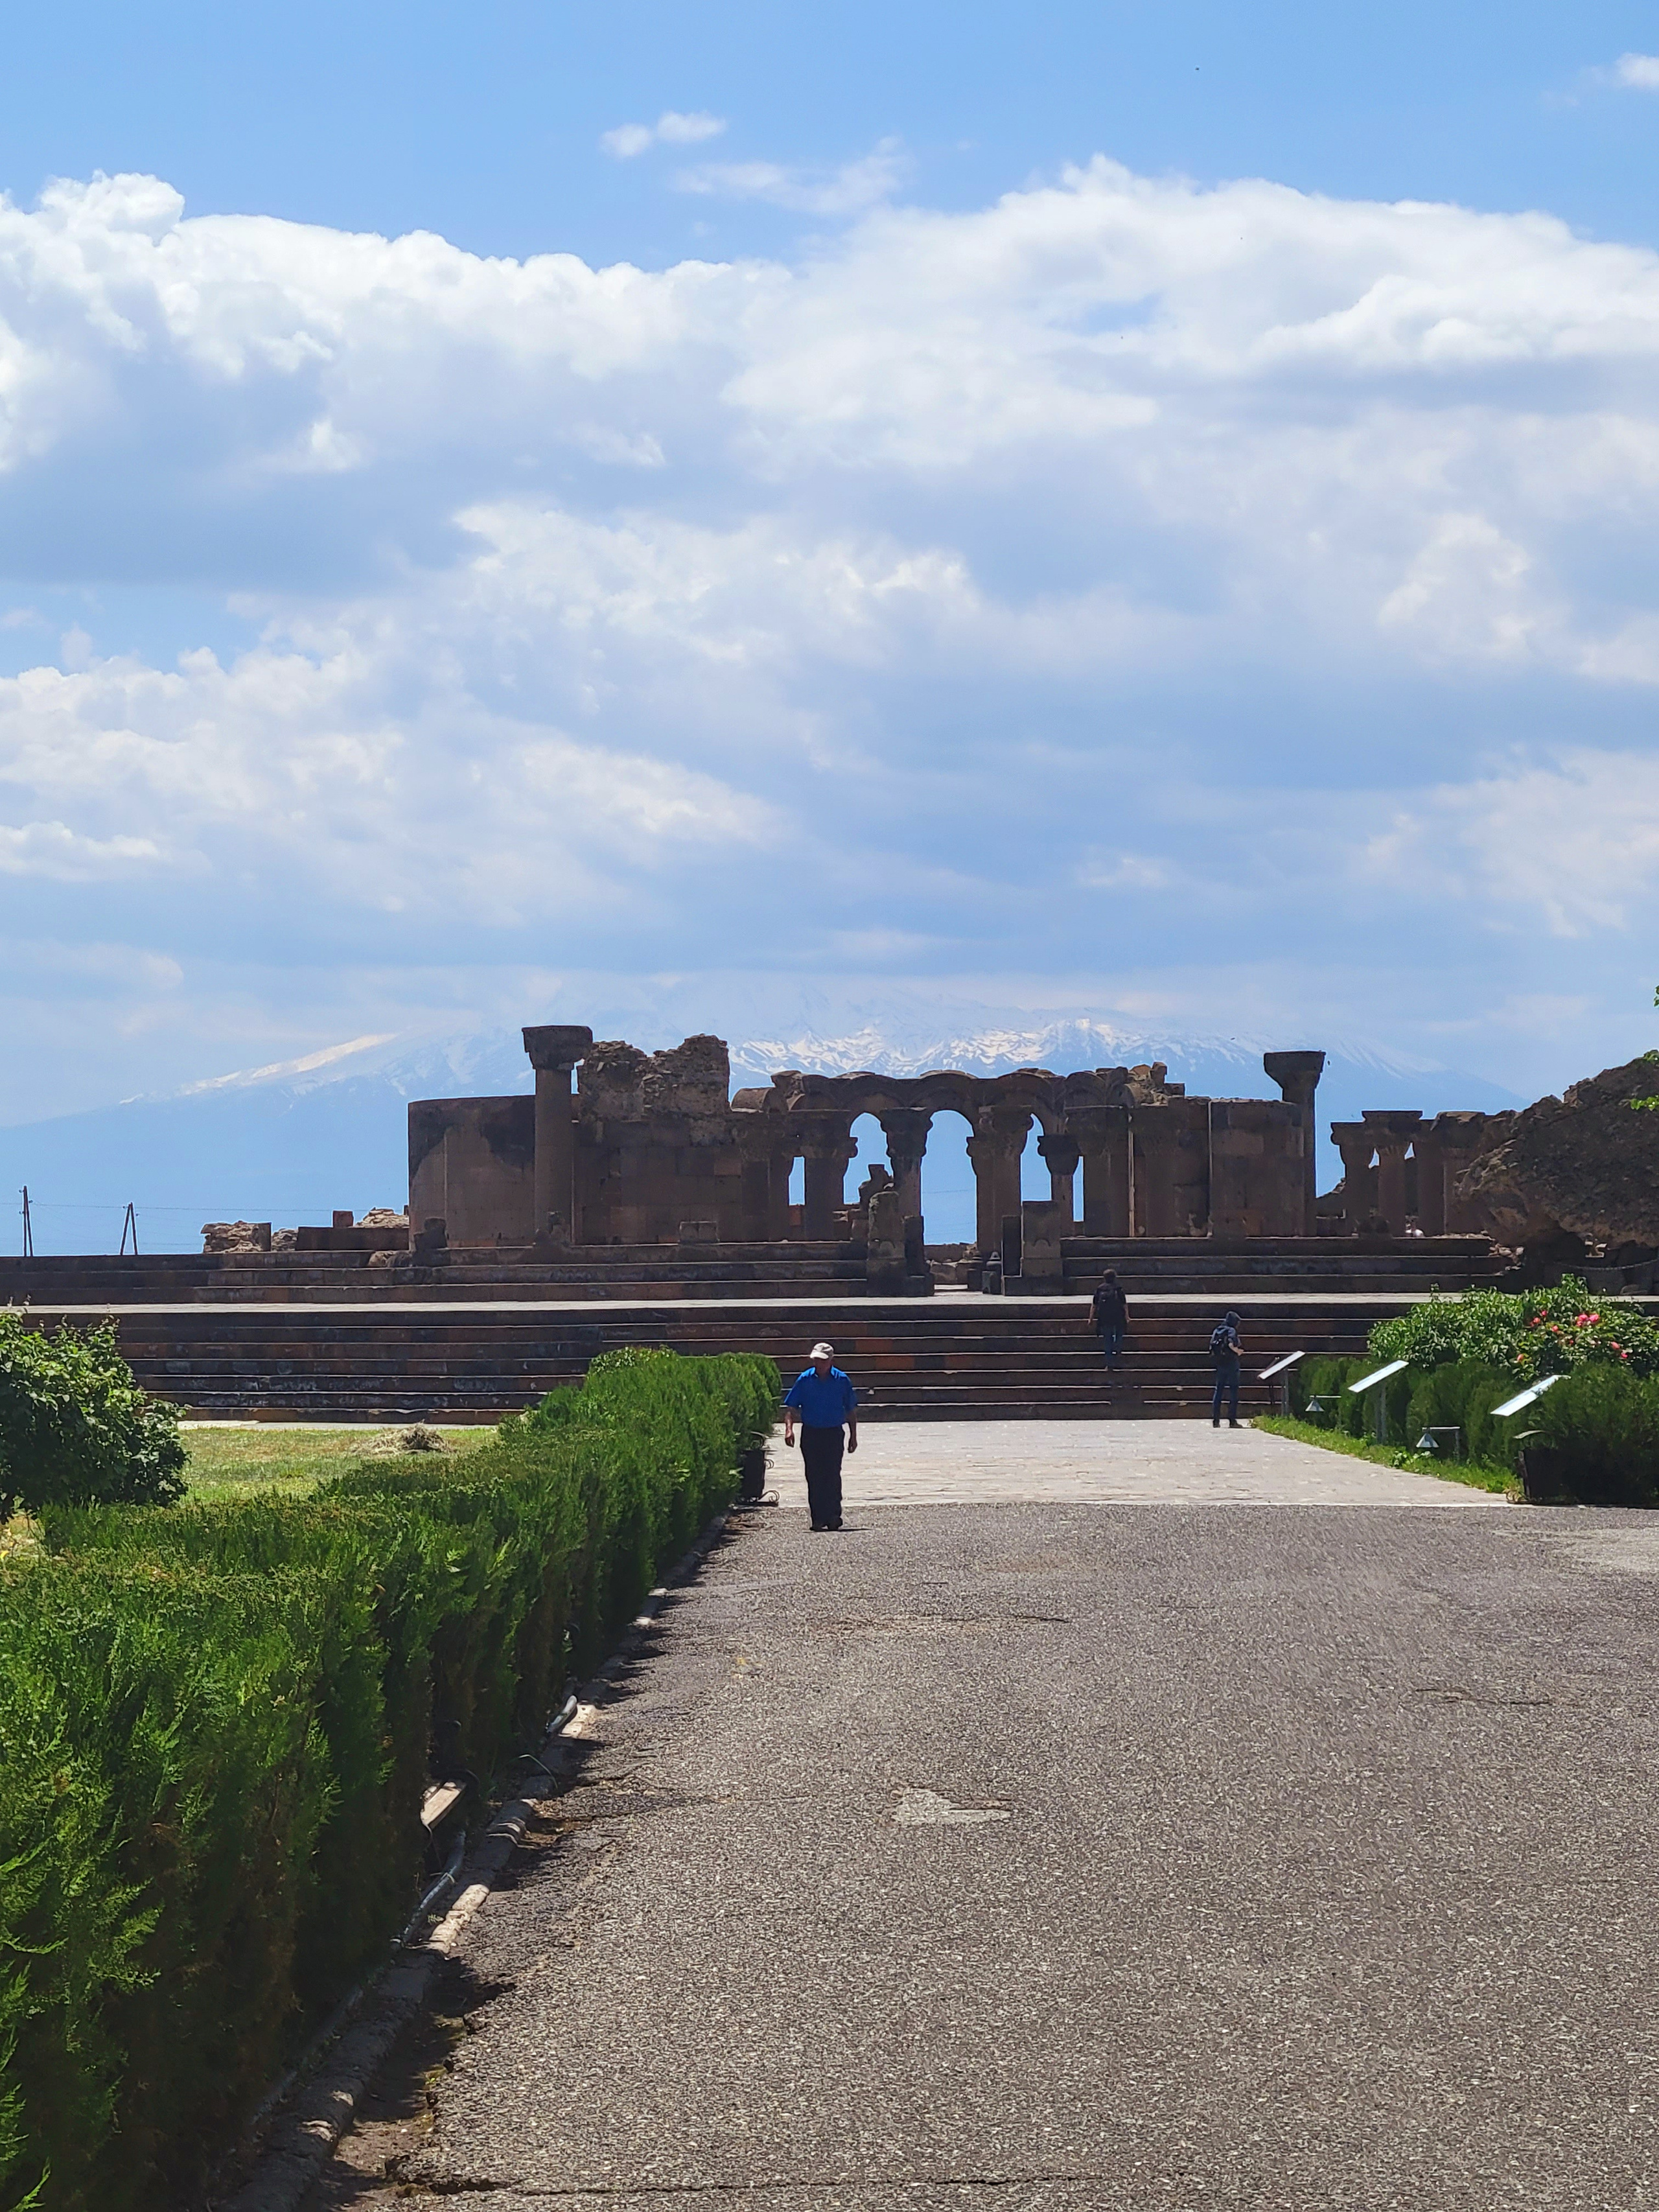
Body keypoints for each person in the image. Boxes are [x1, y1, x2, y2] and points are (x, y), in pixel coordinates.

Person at [782, 1340, 859, 1531]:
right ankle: (818, 1517)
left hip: (833, 1432)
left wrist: (853, 1436)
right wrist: (789, 1429)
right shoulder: (805, 1379)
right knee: (814, 1475)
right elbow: (791, 1406)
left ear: (831, 1361)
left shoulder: (842, 1381)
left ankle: (833, 1515)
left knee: (832, 1473)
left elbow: (850, 1410)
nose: (819, 1364)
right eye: (817, 1360)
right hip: (812, 1432)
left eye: (823, 1361)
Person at [1089, 1270, 1129, 1375]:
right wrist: (1127, 1317)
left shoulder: (1100, 1289)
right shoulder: (1118, 1289)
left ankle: (1109, 1364)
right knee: (1119, 1333)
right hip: (1117, 1317)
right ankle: (1118, 1348)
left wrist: (1091, 1318)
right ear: (1115, 1277)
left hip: (1104, 1318)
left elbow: (1094, 1305)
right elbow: (1124, 1304)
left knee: (1107, 1339)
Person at [1209, 1309, 1243, 1429]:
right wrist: (1238, 1351)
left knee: (1218, 1391)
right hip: (1231, 1364)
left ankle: (1216, 1420)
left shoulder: (1217, 1330)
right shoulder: (1231, 1330)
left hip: (1220, 1364)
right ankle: (1232, 1420)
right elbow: (1230, 1344)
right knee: (1233, 1391)